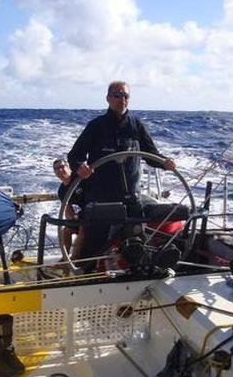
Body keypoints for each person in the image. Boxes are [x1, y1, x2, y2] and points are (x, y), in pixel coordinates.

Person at [67, 81, 175, 257]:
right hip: (102, 198)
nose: (122, 99)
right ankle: (86, 273)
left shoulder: (136, 125)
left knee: (136, 242)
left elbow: (151, 154)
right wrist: (80, 167)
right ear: (108, 99)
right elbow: (74, 156)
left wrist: (165, 163)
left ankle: (135, 275)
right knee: (94, 244)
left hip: (131, 196)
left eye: (125, 96)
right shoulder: (96, 126)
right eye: (117, 95)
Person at [53, 158, 86, 258]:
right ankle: (65, 258)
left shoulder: (80, 178)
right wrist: (72, 220)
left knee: (82, 228)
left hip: (95, 209)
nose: (59, 170)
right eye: (56, 169)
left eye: (62, 167)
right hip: (83, 214)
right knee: (66, 231)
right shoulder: (62, 191)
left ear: (69, 167)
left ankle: (74, 258)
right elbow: (68, 209)